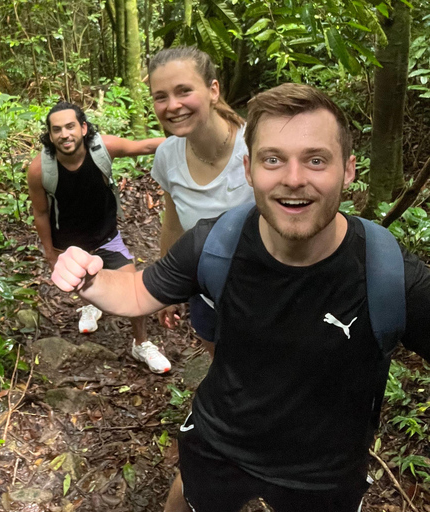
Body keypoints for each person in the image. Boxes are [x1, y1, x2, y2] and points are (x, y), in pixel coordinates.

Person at [49, 83, 430, 512]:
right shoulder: (218, 242)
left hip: (325, 471)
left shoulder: (389, 273)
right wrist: (89, 279)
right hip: (219, 442)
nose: (293, 178)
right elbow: (137, 290)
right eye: (273, 159)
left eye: (316, 160)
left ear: (348, 170)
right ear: (248, 170)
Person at [27, 101, 170, 373]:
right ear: (50, 134)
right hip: (69, 245)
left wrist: (191, 138)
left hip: (106, 238)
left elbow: (145, 146)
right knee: (85, 285)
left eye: (70, 126)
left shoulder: (103, 148)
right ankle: (91, 306)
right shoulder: (39, 169)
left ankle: (141, 343)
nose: (64, 134)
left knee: (134, 290)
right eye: (56, 129)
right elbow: (41, 213)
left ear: (82, 128)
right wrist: (50, 254)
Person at [148, 47, 254, 348]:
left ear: (213, 90)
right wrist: (166, 289)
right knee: (222, 371)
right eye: (161, 96)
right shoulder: (168, 155)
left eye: (184, 91)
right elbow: (173, 227)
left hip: (266, 295)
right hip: (206, 294)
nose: (173, 105)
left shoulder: (256, 147)